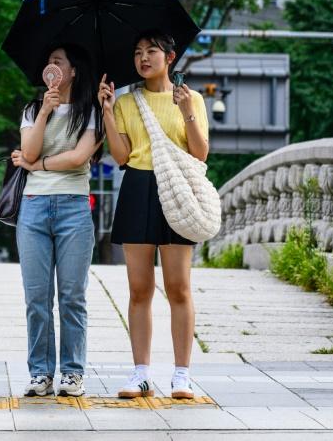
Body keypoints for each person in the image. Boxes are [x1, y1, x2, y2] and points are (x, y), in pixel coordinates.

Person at [97, 30, 209, 399]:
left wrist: (187, 113)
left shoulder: (189, 98)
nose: (143, 58)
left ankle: (182, 375)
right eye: (137, 52)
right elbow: (121, 157)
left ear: (170, 58)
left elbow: (200, 153)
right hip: (138, 188)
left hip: (175, 188)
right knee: (139, 288)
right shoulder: (128, 101)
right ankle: (141, 373)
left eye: (152, 51)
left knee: (178, 287)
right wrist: (108, 113)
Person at [10, 43, 104, 398]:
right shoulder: (33, 109)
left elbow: (79, 158)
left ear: (73, 71)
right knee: (36, 296)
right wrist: (45, 112)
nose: (51, 65)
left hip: (74, 208)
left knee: (71, 295)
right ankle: (40, 373)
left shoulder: (89, 111)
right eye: (48, 61)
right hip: (33, 208)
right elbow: (28, 150)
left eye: (58, 61)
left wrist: (37, 166)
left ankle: (73, 372)